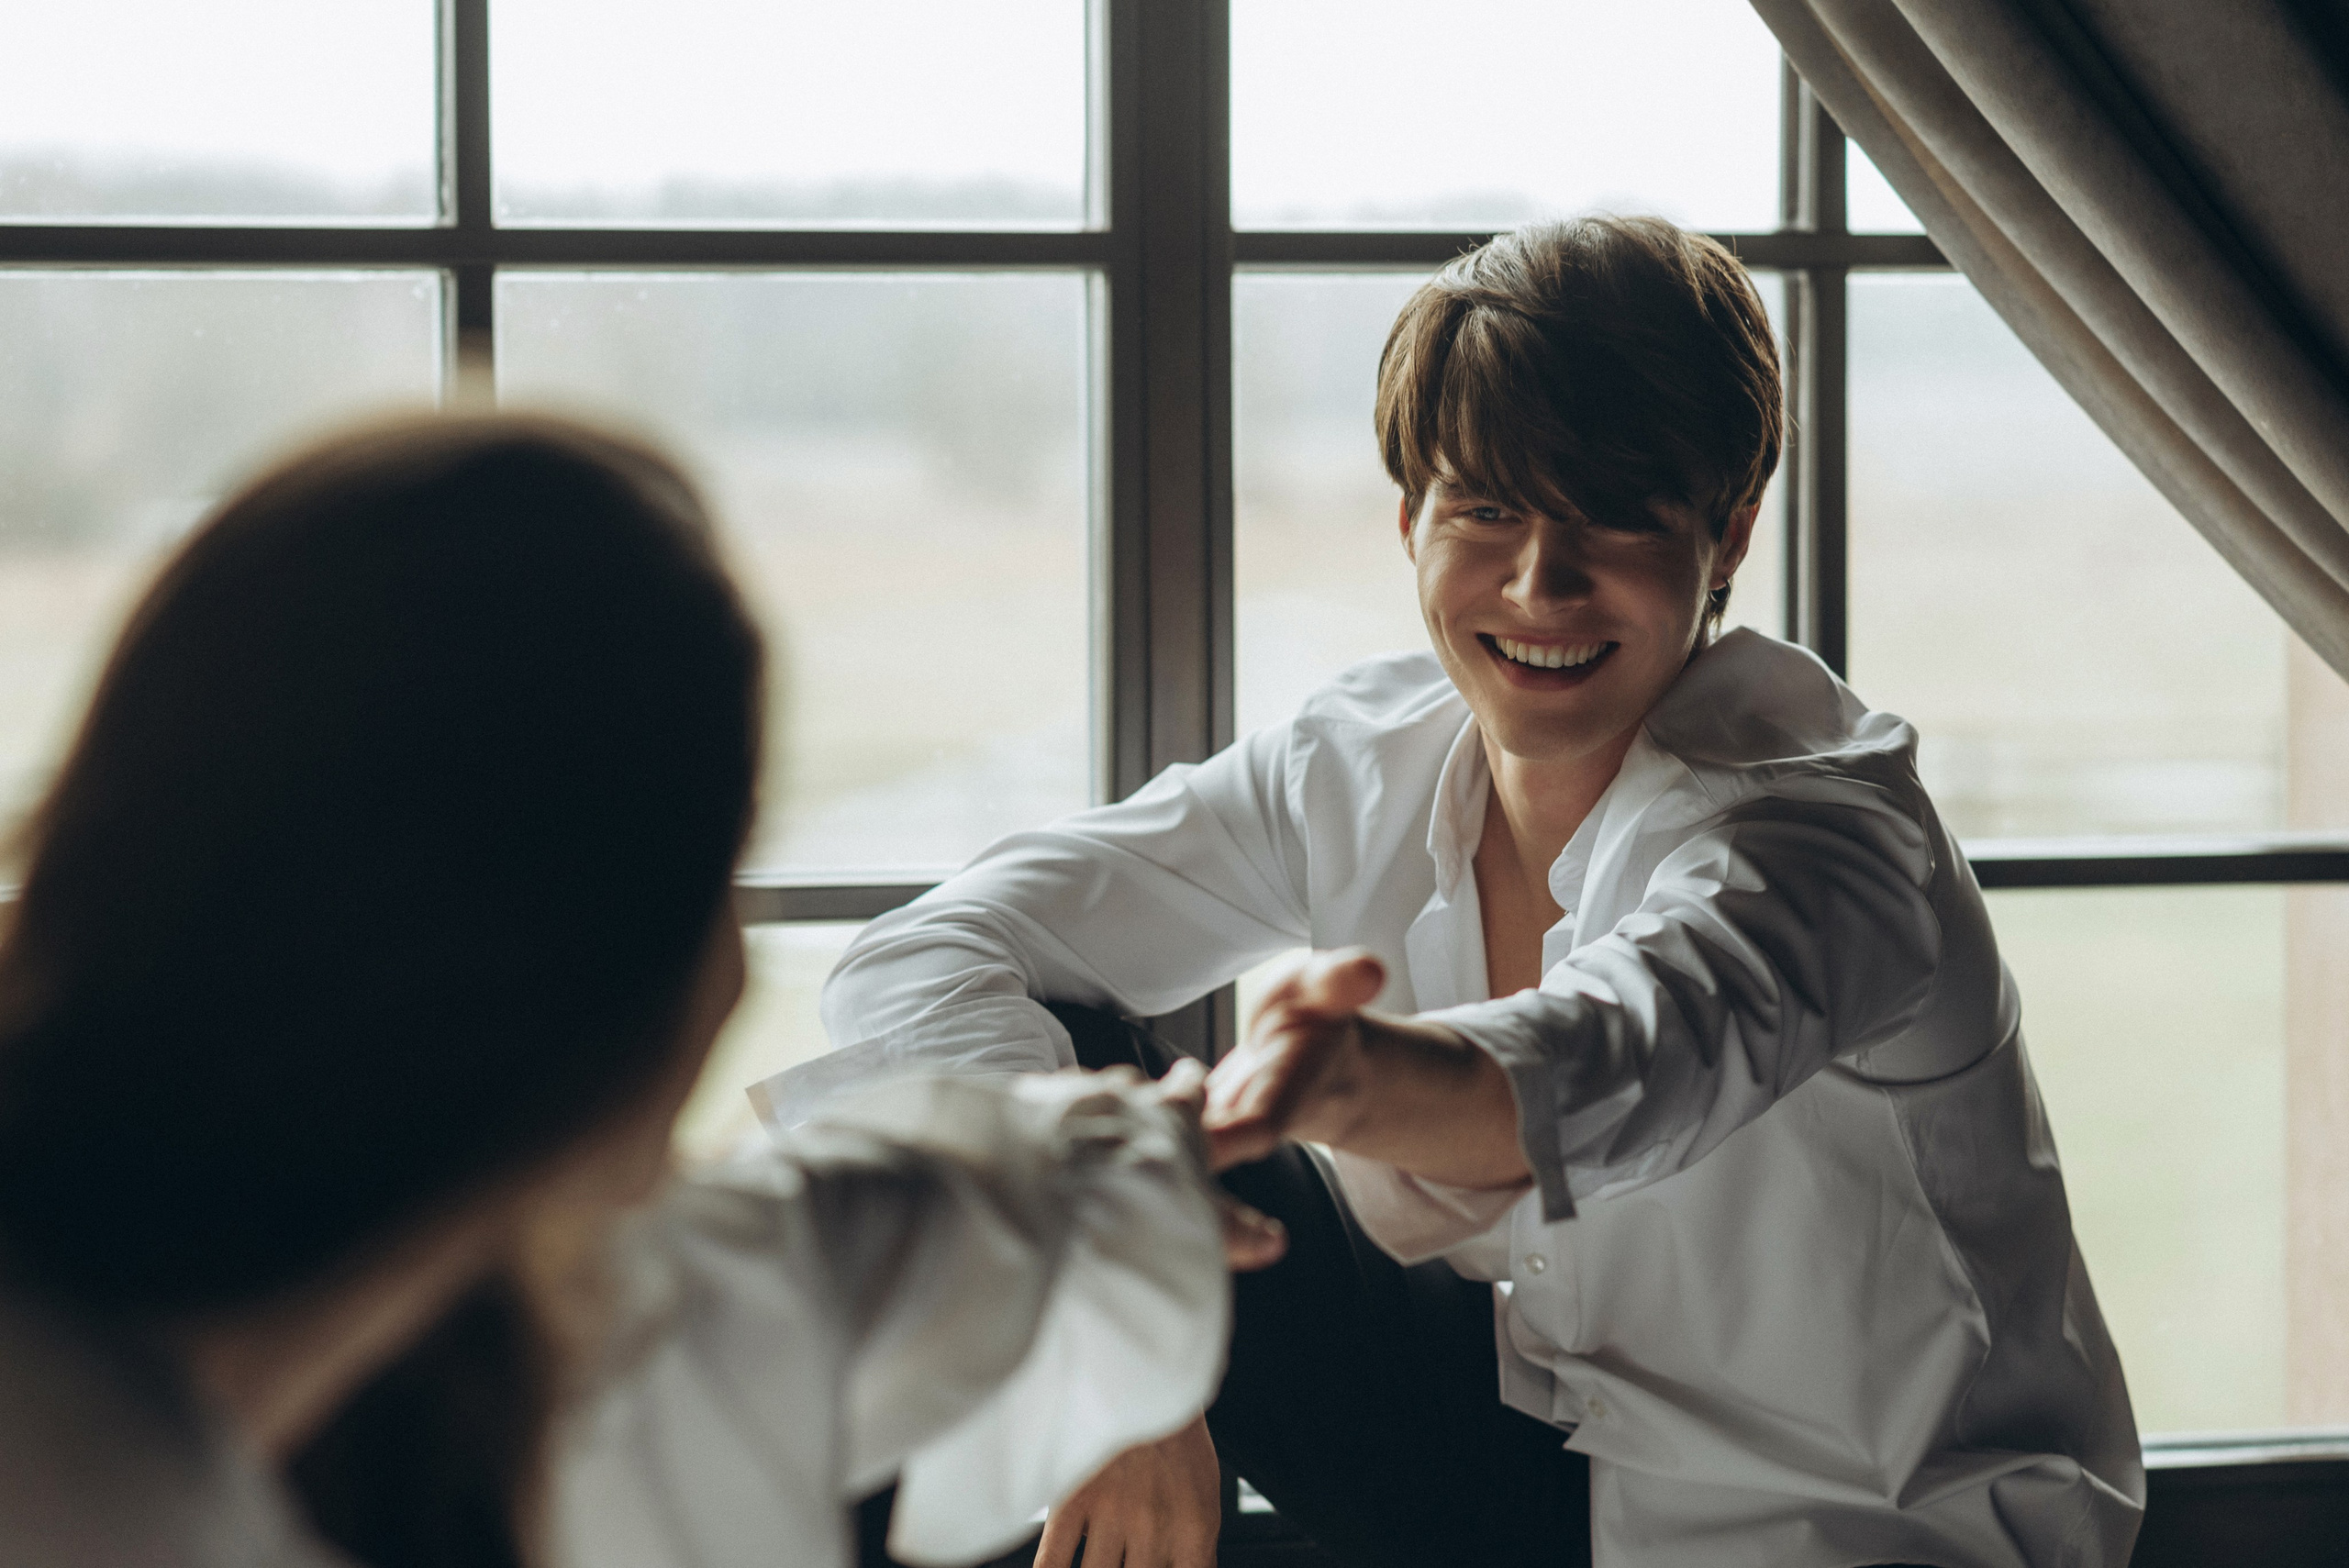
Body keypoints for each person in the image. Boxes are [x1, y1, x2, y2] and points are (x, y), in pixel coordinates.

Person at [765, 217, 2146, 1568]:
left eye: (1614, 514)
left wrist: (1347, 1080)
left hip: (1842, 1526)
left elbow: (1621, 1058)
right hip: (1530, 1456)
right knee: (962, 1175)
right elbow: (925, 956)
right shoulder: (1360, 760)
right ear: (1411, 521)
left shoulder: (1824, 831)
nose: (1542, 582)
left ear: (1726, 536)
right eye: (1487, 509)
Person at [0, 415, 1280, 1568]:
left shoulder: (460, 1301)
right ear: (576, 981)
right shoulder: (87, 1490)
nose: (736, 970)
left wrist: (1125, 1162)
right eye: (723, 873)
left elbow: (847, 1241)